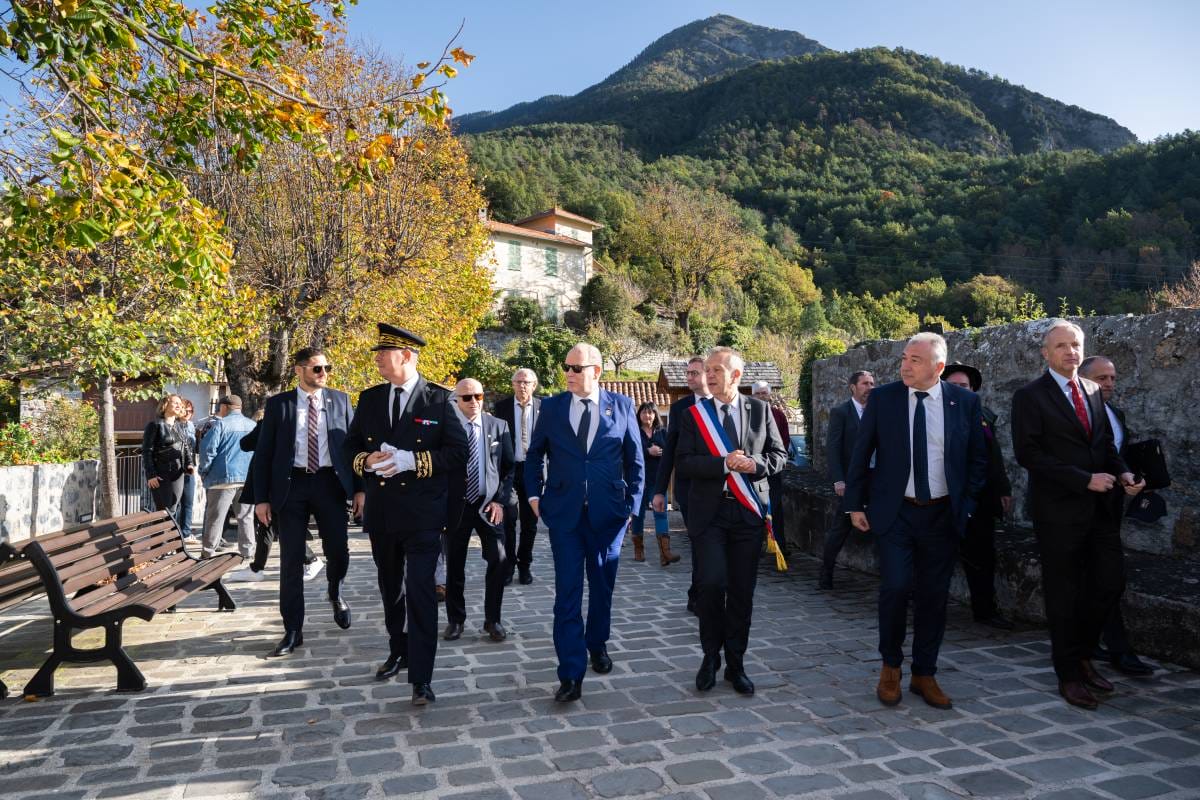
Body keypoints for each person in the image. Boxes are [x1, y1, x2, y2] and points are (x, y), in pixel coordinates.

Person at [845, 333, 987, 711]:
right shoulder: (885, 398)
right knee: (895, 587)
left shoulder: (965, 402)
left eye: (916, 360)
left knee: (933, 596)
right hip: (896, 513)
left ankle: (925, 672)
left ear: (938, 367)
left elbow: (977, 458)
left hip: (942, 515)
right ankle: (891, 666)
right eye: (905, 358)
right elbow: (862, 453)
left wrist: (967, 505)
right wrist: (854, 504)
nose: (905, 366)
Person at [1011, 320, 1144, 710]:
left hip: (1101, 510)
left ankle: (1084, 654)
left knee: (1109, 582)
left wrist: (1122, 472)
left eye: (1076, 345)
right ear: (1046, 353)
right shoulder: (1030, 396)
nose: (1071, 352)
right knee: (1064, 593)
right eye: (1062, 346)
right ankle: (1068, 673)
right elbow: (1029, 455)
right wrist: (1084, 479)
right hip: (1058, 512)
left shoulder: (1091, 390)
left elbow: (1104, 443)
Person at [346, 324, 467, 705]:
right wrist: (368, 460)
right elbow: (347, 446)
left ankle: (422, 677)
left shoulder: (439, 400)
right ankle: (397, 649)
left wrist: (412, 460)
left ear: (407, 356)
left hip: (423, 516)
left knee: (420, 590)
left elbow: (458, 454)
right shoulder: (369, 399)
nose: (378, 358)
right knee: (390, 588)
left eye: (385, 352)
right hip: (383, 514)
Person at [525, 342, 644, 703]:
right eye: (567, 367)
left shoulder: (622, 406)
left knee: (602, 587)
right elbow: (534, 456)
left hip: (608, 516)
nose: (569, 374)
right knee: (567, 594)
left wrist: (632, 510)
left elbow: (636, 461)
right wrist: (534, 497)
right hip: (565, 516)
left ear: (597, 371)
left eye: (577, 368)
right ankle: (570, 674)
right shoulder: (553, 407)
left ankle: (597, 643)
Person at [675, 347, 788, 696]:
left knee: (741, 592)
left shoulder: (760, 409)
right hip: (709, 514)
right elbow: (686, 463)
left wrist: (755, 465)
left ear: (735, 376)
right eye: (706, 370)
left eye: (716, 370)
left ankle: (736, 663)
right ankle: (711, 656)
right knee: (710, 585)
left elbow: (779, 455)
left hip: (748, 514)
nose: (708, 375)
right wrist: (723, 463)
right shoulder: (695, 415)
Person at [253, 347, 359, 658]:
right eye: (317, 368)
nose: (323, 373)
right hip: (292, 486)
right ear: (299, 370)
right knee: (291, 560)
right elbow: (264, 454)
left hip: (330, 483)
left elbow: (355, 447)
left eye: (327, 367)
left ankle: (335, 592)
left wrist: (360, 489)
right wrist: (261, 499)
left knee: (338, 549)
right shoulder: (279, 405)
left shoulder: (340, 401)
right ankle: (293, 629)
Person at [1078, 355, 1155, 677]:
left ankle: (1096, 643)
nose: (1109, 384)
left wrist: (1129, 477)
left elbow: (1116, 454)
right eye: (1101, 378)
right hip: (1075, 510)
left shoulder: (1115, 413)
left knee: (1110, 579)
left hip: (1109, 510)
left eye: (1112, 378)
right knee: (1092, 580)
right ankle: (1111, 648)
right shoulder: (1070, 415)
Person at [942, 363, 1014, 630]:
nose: (959, 391)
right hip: (943, 498)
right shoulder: (932, 416)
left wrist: (1003, 489)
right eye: (954, 386)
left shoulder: (983, 416)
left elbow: (994, 457)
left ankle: (985, 609)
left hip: (979, 499)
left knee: (982, 556)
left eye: (964, 386)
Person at [444, 378, 514, 643]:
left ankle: (492, 619)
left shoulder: (498, 426)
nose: (474, 401)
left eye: (479, 396)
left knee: (499, 558)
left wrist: (500, 500)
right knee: (455, 564)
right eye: (467, 397)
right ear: (456, 401)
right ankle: (455, 620)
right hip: (456, 506)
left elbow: (509, 468)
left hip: (489, 505)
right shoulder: (446, 429)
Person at [652, 356, 710, 613]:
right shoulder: (681, 409)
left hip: (721, 489)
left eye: (694, 373)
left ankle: (708, 591)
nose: (689, 378)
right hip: (689, 490)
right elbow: (670, 450)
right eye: (688, 373)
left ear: (709, 374)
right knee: (699, 542)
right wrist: (659, 490)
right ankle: (697, 593)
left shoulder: (722, 404)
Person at [821, 370, 874, 589]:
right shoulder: (841, 412)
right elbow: (833, 448)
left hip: (877, 478)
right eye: (864, 383)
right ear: (853, 387)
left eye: (872, 383)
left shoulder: (879, 412)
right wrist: (839, 480)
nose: (869, 387)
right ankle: (826, 572)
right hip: (852, 481)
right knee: (841, 528)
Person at [493, 368, 542, 585]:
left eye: (526, 382)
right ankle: (509, 566)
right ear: (512, 384)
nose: (522, 386)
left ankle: (525, 566)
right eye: (518, 381)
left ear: (534, 385)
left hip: (534, 471)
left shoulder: (544, 407)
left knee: (530, 523)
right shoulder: (501, 407)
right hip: (509, 472)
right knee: (509, 520)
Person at [197, 395, 257, 568]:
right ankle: (247, 553)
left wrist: (203, 472)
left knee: (215, 517)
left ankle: (207, 552)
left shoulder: (220, 425)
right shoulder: (252, 425)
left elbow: (208, 451)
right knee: (246, 517)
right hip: (247, 479)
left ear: (224, 407)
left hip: (222, 479)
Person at [630, 401, 675, 565]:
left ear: (655, 415)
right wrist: (648, 451)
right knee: (638, 514)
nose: (647, 416)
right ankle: (638, 549)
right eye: (643, 412)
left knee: (661, 513)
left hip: (658, 479)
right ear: (639, 415)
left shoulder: (663, 432)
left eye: (650, 412)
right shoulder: (634, 431)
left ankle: (665, 553)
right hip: (638, 479)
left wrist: (660, 453)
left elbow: (670, 452)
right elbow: (629, 452)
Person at [751, 381, 791, 556]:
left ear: (769, 394)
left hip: (773, 469)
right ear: (753, 396)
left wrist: (773, 461)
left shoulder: (778, 415)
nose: (761, 396)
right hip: (753, 470)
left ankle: (779, 545)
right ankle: (756, 545)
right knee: (755, 507)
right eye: (758, 393)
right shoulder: (748, 416)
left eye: (764, 393)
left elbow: (784, 441)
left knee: (775, 508)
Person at [142, 394, 194, 525]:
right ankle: (158, 543)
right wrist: (151, 475)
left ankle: (168, 542)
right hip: (161, 473)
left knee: (173, 508)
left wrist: (189, 464)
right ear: (165, 405)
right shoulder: (154, 425)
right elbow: (147, 451)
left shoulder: (178, 426)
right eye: (175, 402)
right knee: (163, 511)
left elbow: (185, 447)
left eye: (180, 404)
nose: (179, 405)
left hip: (178, 473)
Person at [178, 399, 199, 542]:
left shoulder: (191, 426)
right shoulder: (174, 425)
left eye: (191, 411)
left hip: (190, 469)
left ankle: (185, 533)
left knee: (188, 502)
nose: (188, 413)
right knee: (176, 503)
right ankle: (176, 533)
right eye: (186, 410)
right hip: (177, 469)